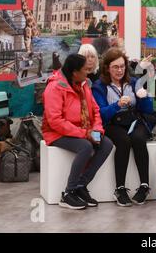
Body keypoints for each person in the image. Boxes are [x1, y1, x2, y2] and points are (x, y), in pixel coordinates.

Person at [42, 54, 113, 210]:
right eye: (85, 70)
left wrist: (97, 131)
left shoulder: (83, 84)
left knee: (106, 144)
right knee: (85, 147)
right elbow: (55, 121)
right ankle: (68, 193)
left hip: (84, 130)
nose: (88, 73)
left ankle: (81, 185)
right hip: (56, 133)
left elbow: (95, 110)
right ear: (75, 72)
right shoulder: (54, 87)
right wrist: (85, 134)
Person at [92, 48, 153, 207]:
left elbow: (147, 109)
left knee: (139, 138)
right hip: (113, 123)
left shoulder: (133, 82)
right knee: (123, 141)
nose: (120, 70)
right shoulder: (99, 86)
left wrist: (144, 96)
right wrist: (116, 105)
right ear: (107, 68)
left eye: (122, 66)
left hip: (134, 120)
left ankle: (144, 186)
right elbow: (101, 114)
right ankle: (120, 188)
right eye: (115, 67)